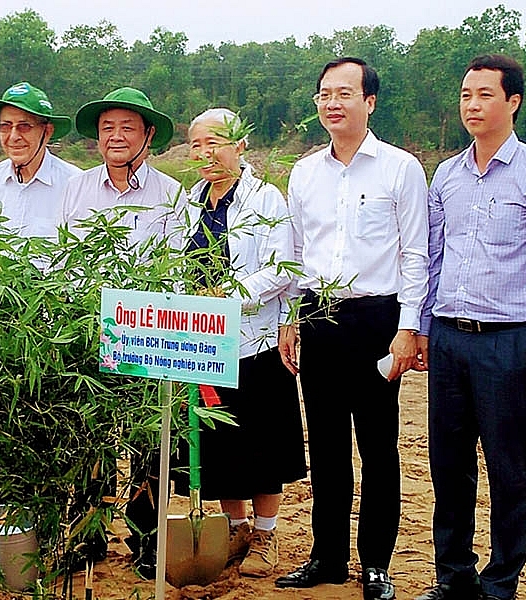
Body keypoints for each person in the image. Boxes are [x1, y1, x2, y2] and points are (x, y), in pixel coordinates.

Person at [414, 54, 526, 600]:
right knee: (448, 465)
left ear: (513, 101)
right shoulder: (447, 175)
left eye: (485, 95)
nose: (472, 105)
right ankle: (453, 576)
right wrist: (423, 328)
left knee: (507, 467)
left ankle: (501, 581)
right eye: (466, 95)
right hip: (449, 337)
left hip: (507, 342)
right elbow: (434, 257)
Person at [275, 57, 429, 600]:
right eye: (324, 94)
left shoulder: (400, 168)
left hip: (376, 320)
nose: (332, 103)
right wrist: (292, 317)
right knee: (327, 446)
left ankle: (376, 566)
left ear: (370, 102)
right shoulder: (304, 172)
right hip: (319, 317)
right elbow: (296, 252)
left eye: (345, 93)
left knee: (379, 448)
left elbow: (416, 254)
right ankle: (328, 557)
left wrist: (408, 327)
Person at [58, 86, 183, 578]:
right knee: (89, 437)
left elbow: (177, 268)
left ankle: (146, 539)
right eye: (107, 127)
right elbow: (63, 259)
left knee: (149, 443)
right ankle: (87, 535)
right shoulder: (78, 188)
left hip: (148, 334)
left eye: (127, 128)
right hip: (89, 330)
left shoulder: (170, 194)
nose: (116, 136)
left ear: (148, 135)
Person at [181, 107, 306, 577]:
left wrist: (226, 296)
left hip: (255, 341)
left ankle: (267, 533)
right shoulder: (189, 203)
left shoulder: (266, 198)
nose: (205, 153)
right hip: (203, 343)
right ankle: (236, 527)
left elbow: (281, 268)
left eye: (214, 142)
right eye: (196, 144)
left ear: (240, 145)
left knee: (262, 443)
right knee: (221, 445)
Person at [0, 82, 81, 266]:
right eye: (5, 126)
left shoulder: (75, 184)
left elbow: (81, 260)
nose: (13, 136)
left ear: (47, 132)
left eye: (24, 126)